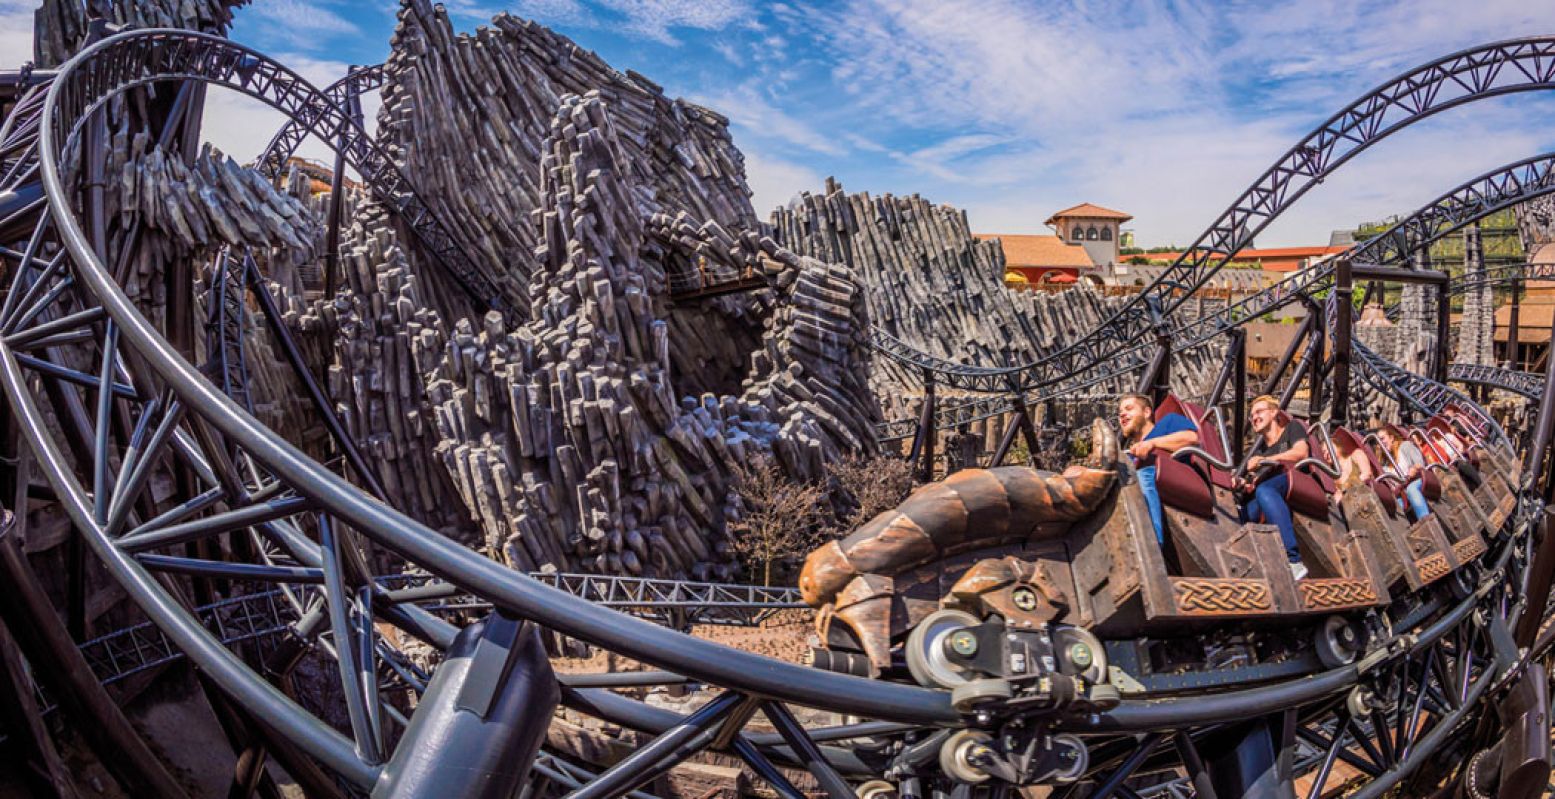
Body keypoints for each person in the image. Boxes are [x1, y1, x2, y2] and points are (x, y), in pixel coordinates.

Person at [1234, 395, 1310, 579]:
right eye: (1252, 415)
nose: (1254, 418)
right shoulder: (1260, 452)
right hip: (1269, 492)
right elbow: (1254, 483)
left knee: (1265, 490)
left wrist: (1267, 461)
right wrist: (1243, 484)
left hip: (1295, 480)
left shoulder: (1292, 428)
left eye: (1259, 412)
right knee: (1242, 513)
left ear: (1274, 412)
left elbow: (1301, 453)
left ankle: (1294, 561)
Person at [1117, 394, 1199, 546]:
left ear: (1147, 412)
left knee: (1143, 475)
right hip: (1147, 491)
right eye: (1120, 412)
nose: (1122, 414)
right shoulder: (1129, 455)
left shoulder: (1168, 422)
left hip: (1176, 481)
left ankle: (1151, 544)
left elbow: (1191, 438)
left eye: (1129, 409)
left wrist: (1152, 443)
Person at [1378, 424, 1431, 520]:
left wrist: (1414, 469)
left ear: (1391, 437)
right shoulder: (1385, 461)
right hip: (1402, 490)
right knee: (1395, 507)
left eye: (1382, 439)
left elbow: (1420, 464)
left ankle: (1426, 520)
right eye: (1378, 441)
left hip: (1418, 479)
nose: (1381, 443)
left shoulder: (1405, 446)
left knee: (1412, 489)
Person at [1332, 433, 1374, 507]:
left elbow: (1367, 474)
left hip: (1368, 496)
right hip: (1350, 506)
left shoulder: (1356, 454)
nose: (1326, 452)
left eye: (1328, 447)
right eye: (1323, 452)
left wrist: (1345, 489)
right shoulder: (1334, 477)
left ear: (1338, 445)